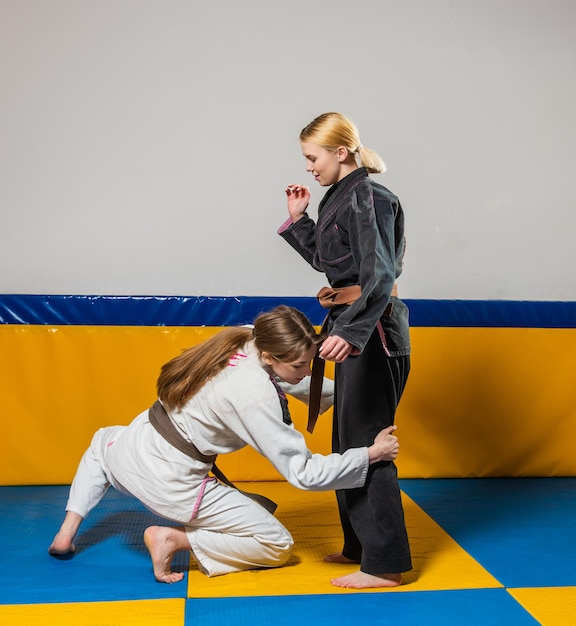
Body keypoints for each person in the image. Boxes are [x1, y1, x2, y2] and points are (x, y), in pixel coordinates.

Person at [48, 305, 400, 584]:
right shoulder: (254, 397)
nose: (308, 371)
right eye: (300, 364)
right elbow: (303, 473)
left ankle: (66, 533)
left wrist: (346, 397)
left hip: (131, 448)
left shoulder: (248, 337)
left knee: (100, 441)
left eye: (310, 361)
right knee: (277, 544)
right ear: (269, 357)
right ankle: (174, 539)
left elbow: (285, 379)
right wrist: (370, 454)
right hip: (171, 481)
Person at [278, 112, 411, 589]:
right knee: (349, 444)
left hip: (373, 333)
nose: (309, 167)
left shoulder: (371, 197)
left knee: (370, 444)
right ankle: (360, 546)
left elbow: (378, 276)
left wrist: (352, 332)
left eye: (313, 157)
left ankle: (384, 565)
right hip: (355, 325)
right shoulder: (343, 196)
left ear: (340, 152)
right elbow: (330, 262)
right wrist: (301, 221)